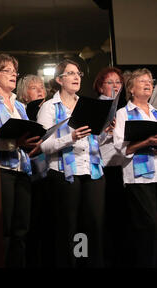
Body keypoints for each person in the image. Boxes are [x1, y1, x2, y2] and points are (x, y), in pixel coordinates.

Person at [36, 59, 105, 268]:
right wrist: (70, 138)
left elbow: (94, 141)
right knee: (69, 226)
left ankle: (86, 262)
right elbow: (43, 146)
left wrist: (105, 132)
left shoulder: (87, 105)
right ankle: (71, 263)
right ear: (59, 80)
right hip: (64, 173)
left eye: (79, 73)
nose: (76, 77)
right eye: (71, 73)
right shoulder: (49, 107)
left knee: (91, 223)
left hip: (92, 171)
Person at [0, 54, 42, 267]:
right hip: (2, 169)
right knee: (6, 228)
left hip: (22, 169)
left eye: (14, 71)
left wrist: (32, 141)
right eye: (7, 71)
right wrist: (14, 143)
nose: (13, 75)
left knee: (22, 228)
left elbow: (24, 134)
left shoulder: (19, 105)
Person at [113, 68, 157, 267]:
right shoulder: (124, 113)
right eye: (142, 81)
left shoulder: (156, 112)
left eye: (150, 81)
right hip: (139, 177)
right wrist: (146, 141)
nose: (148, 84)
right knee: (148, 225)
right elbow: (121, 148)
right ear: (131, 88)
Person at [92, 67, 126, 266]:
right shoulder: (99, 107)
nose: (115, 86)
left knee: (120, 215)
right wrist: (107, 132)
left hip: (121, 167)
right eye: (110, 82)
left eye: (118, 82)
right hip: (104, 166)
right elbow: (91, 138)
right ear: (100, 86)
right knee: (106, 216)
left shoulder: (123, 108)